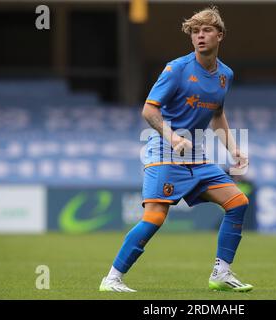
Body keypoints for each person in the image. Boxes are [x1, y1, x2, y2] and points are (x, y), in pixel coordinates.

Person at [99, 6, 253, 293]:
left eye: (206, 30)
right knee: (155, 218)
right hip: (165, 153)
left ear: (220, 35)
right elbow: (149, 109)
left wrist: (233, 149)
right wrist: (174, 139)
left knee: (238, 202)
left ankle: (221, 273)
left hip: (196, 158)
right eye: (195, 31)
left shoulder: (225, 75)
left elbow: (217, 113)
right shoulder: (177, 69)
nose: (200, 36)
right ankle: (112, 278)